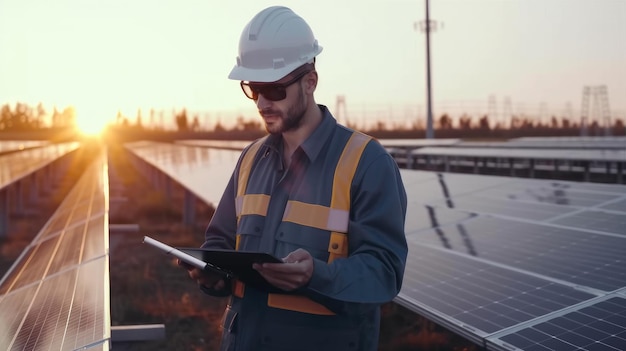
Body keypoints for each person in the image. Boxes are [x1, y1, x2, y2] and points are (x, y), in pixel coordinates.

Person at [182, 6, 408, 351]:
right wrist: (210, 271)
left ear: (310, 81)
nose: (261, 102)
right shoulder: (250, 159)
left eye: (274, 89)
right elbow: (220, 243)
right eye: (253, 88)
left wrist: (316, 275)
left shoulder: (367, 163)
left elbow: (384, 272)